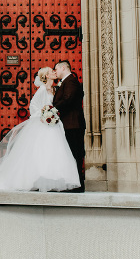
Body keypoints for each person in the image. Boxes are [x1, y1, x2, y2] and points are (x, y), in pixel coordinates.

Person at [0, 67, 81, 192]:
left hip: (53, 125)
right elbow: (33, 105)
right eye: (52, 71)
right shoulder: (42, 90)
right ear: (47, 76)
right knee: (41, 152)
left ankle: (50, 180)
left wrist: (51, 114)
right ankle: (35, 180)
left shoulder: (54, 89)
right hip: (44, 125)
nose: (54, 72)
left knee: (52, 153)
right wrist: (43, 115)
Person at [52, 59, 86, 193]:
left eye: (56, 69)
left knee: (74, 154)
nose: (55, 72)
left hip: (73, 124)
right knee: (71, 154)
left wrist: (54, 108)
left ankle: (77, 185)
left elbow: (68, 99)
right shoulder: (67, 81)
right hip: (69, 124)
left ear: (63, 68)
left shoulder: (70, 81)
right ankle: (73, 183)